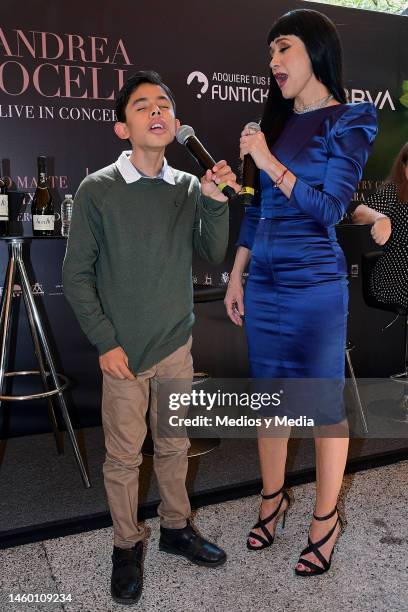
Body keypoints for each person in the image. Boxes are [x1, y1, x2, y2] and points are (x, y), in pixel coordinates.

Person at [63, 70, 239, 605]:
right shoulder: (97, 189)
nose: (156, 111)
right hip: (122, 355)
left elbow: (212, 253)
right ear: (122, 128)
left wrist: (213, 197)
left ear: (176, 122)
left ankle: (177, 528)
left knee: (175, 446)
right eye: (142, 106)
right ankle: (125, 544)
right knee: (121, 458)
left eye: (164, 104)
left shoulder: (188, 185)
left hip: (175, 346)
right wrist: (105, 343)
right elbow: (76, 276)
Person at [224, 9, 377, 577]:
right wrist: (238, 272)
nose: (273, 63)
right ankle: (272, 497)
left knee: (320, 407)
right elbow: (257, 205)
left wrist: (267, 160)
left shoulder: (351, 120)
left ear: (315, 50)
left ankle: (325, 519)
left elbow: (332, 208)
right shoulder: (277, 122)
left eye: (281, 49)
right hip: (262, 281)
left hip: (314, 282)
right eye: (269, 54)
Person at [352, 142, 408, 308]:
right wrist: (380, 218)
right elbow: (358, 213)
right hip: (395, 276)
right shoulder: (394, 192)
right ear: (403, 167)